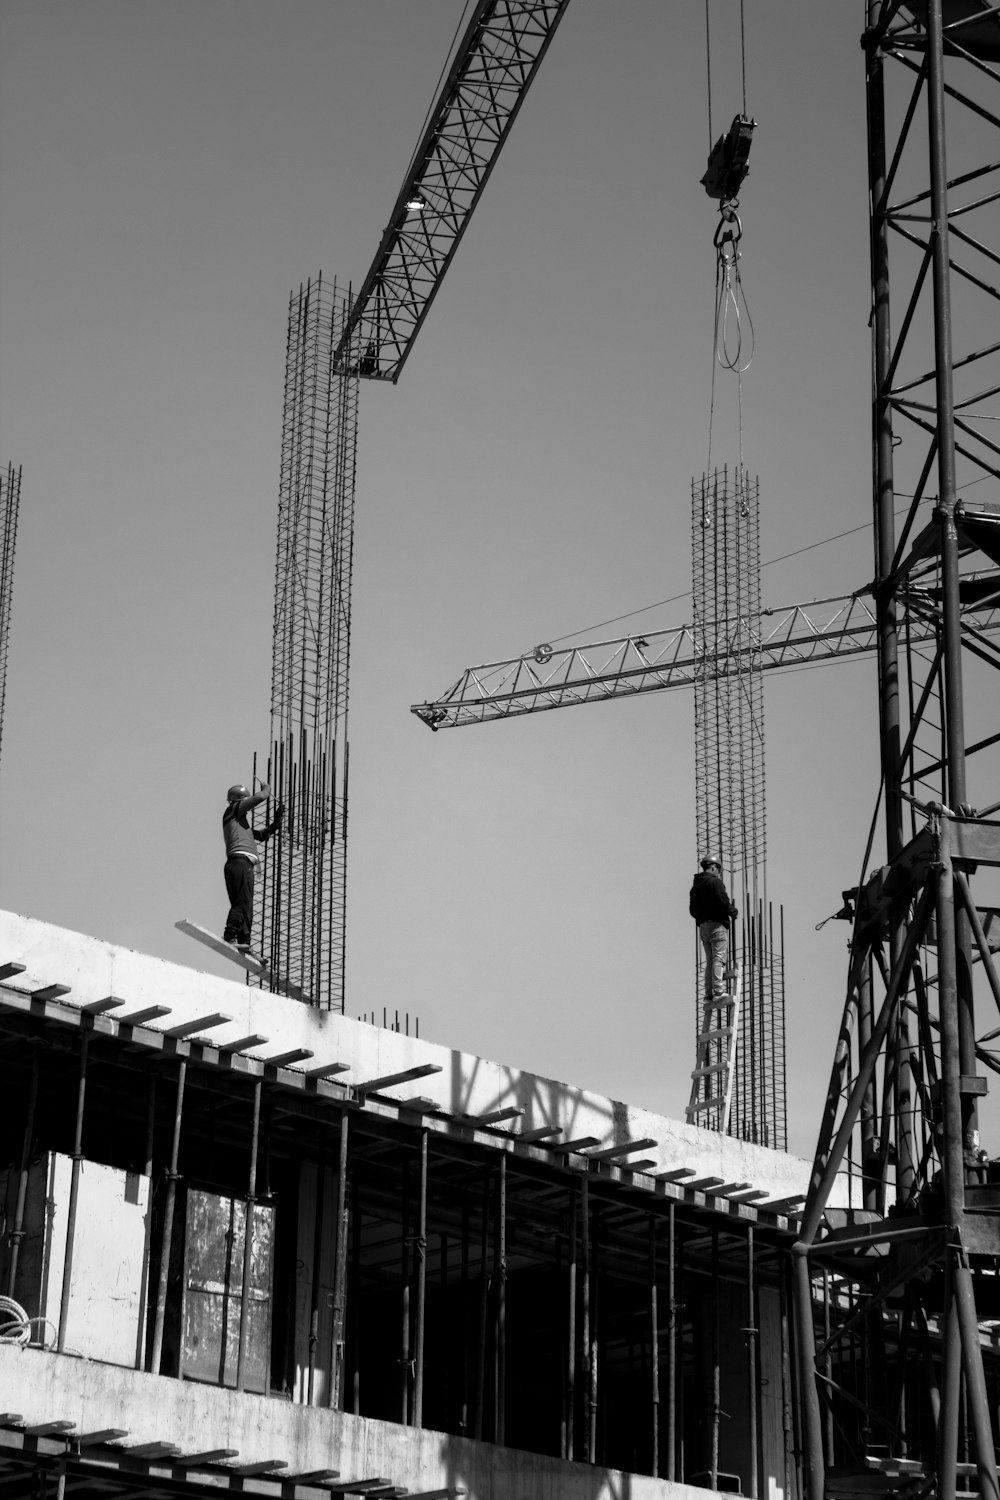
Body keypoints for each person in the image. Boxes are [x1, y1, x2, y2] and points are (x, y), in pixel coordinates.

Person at [222, 781, 284, 950]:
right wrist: (267, 790)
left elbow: (262, 835)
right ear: (239, 800)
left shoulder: (243, 826)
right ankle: (230, 934)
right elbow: (260, 797)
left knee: (247, 904)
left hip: (245, 864)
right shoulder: (232, 811)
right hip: (238, 862)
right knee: (241, 901)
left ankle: (244, 939)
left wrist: (276, 822)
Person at [689, 855, 738, 1002]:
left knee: (710, 960)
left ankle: (708, 993)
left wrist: (703, 917)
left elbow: (692, 910)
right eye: (718, 869)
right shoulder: (715, 882)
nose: (718, 872)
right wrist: (732, 911)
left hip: (703, 927)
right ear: (713, 867)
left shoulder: (695, 887)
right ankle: (718, 991)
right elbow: (722, 900)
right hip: (717, 925)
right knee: (718, 958)